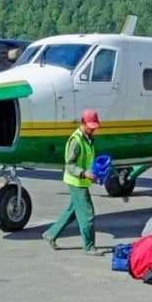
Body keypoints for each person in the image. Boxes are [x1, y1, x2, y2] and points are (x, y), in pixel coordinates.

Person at [42, 109, 103, 255]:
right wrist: (84, 173)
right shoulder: (76, 140)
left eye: (95, 126)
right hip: (76, 181)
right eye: (91, 126)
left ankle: (50, 234)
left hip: (82, 181)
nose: (93, 129)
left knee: (74, 211)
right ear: (83, 123)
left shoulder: (87, 137)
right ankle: (89, 246)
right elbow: (69, 165)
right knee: (87, 213)